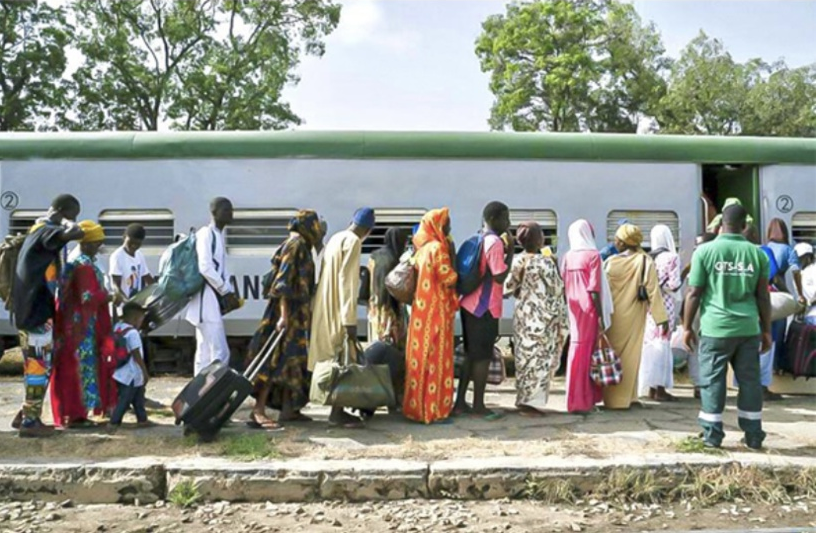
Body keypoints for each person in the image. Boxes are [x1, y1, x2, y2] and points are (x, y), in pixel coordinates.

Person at [683, 203, 771, 450]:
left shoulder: (705, 252)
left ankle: (712, 436)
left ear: (721, 224)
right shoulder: (758, 254)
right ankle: (753, 435)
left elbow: (693, 293)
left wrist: (686, 326)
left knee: (713, 381)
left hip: (715, 329)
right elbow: (763, 296)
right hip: (748, 329)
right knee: (750, 382)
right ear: (744, 226)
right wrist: (765, 330)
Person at [11, 194, 85, 437]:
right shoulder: (45, 230)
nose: (74, 220)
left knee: (41, 364)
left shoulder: (38, 231)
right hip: (35, 313)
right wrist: (66, 222)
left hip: (35, 311)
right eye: (72, 214)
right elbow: (76, 234)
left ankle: (26, 413)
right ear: (62, 211)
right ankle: (31, 423)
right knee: (37, 365)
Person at [246, 210, 322, 430]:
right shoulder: (295, 245)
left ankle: (289, 409)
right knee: (274, 361)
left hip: (297, 316)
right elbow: (282, 283)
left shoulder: (302, 245)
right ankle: (258, 410)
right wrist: (284, 316)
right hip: (286, 316)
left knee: (293, 362)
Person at [309, 207, 375, 428]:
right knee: (343, 361)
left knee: (329, 360)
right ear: (368, 230)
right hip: (338, 310)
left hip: (323, 307)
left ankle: (335, 409)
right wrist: (350, 321)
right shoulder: (354, 242)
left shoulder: (336, 237)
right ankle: (337, 412)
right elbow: (347, 283)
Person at [51, 221, 118, 428]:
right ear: (87, 244)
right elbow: (87, 296)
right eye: (97, 243)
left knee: (75, 369)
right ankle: (76, 416)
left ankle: (75, 414)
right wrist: (109, 296)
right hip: (82, 329)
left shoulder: (77, 262)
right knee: (80, 370)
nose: (99, 247)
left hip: (75, 326)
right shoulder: (84, 266)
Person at [455, 201, 514, 419]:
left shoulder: (477, 238)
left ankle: (460, 402)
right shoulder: (495, 243)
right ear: (495, 219)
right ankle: (479, 405)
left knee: (470, 355)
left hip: (468, 303)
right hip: (484, 308)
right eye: (506, 219)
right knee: (482, 357)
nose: (508, 223)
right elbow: (499, 275)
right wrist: (512, 251)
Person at [504, 221, 569, 414]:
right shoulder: (546, 262)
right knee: (540, 359)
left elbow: (507, 287)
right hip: (543, 318)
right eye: (541, 234)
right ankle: (534, 403)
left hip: (523, 317)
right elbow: (557, 288)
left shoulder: (517, 261)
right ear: (537, 240)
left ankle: (523, 399)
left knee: (524, 359)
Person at [402, 208, 459, 424]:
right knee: (436, 358)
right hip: (437, 312)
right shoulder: (438, 248)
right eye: (447, 223)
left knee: (420, 358)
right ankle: (432, 410)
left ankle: (415, 408)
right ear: (438, 225)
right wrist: (453, 256)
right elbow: (448, 278)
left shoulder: (422, 249)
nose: (449, 227)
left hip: (421, 311)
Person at [603, 224, 668, 410]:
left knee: (614, 354)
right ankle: (626, 399)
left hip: (612, 315)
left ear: (623, 242)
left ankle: (618, 399)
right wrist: (660, 319)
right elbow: (653, 291)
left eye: (617, 239)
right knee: (631, 356)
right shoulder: (644, 261)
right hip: (633, 314)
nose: (615, 242)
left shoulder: (611, 262)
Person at [184, 198, 240, 376]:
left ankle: (200, 395)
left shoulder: (218, 236)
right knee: (219, 353)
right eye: (225, 210)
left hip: (209, 301)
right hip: (205, 301)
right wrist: (226, 291)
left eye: (231, 210)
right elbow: (205, 267)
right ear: (214, 213)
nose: (230, 213)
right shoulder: (206, 234)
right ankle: (212, 394)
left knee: (205, 352)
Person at [560, 220, 612, 413]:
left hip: (573, 308)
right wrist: (599, 315)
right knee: (587, 353)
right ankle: (584, 401)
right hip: (589, 309)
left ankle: (574, 399)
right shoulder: (593, 256)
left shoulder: (568, 257)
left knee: (576, 350)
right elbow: (594, 289)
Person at [639, 225, 682, 402]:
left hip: (649, 307)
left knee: (650, 345)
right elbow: (673, 285)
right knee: (663, 345)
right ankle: (661, 389)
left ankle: (650, 388)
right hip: (666, 307)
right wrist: (685, 273)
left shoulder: (647, 258)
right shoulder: (672, 258)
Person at [764, 218, 804, 391]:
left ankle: (766, 369)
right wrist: (799, 294)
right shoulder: (788, 249)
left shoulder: (765, 247)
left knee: (765, 330)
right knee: (778, 332)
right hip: (779, 292)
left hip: (763, 293)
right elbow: (796, 271)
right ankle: (776, 367)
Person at [109, 302, 151, 428]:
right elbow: (136, 353)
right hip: (131, 373)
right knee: (125, 399)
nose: (141, 322)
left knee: (138, 397)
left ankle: (142, 419)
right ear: (134, 318)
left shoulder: (118, 327)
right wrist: (144, 371)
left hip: (119, 371)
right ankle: (114, 421)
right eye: (140, 319)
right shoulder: (133, 333)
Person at [367, 227, 409, 348]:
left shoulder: (373, 256)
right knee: (392, 344)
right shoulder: (395, 260)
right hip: (390, 309)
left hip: (374, 306)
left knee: (376, 342)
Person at [110, 223, 155, 305]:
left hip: (136, 304)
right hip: (123, 307)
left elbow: (147, 277)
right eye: (131, 242)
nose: (134, 246)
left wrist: (158, 290)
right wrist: (127, 302)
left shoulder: (139, 255)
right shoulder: (117, 256)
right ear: (124, 237)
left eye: (138, 244)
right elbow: (115, 285)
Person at [795, 243, 816, 325]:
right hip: (805, 316)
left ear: (807, 257)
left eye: (800, 258)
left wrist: (809, 303)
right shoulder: (798, 272)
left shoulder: (813, 270)